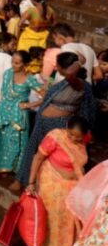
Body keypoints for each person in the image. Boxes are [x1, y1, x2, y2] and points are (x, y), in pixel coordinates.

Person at [17, 52, 96, 189]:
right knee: (34, 152)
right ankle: (24, 180)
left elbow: (70, 73)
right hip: (42, 123)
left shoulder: (77, 83)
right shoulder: (63, 82)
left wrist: (80, 61)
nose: (55, 67)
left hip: (58, 124)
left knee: (49, 157)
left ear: (64, 67)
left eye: (57, 65)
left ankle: (40, 185)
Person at [25, 117, 90, 246]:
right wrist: (31, 183)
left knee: (68, 224)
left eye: (78, 137)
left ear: (84, 135)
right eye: (71, 134)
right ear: (66, 127)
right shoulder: (55, 137)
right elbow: (38, 158)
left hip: (72, 186)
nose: (73, 139)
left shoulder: (85, 140)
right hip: (51, 183)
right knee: (52, 222)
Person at [0, 50, 43, 176]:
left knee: (12, 142)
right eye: (12, 62)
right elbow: (4, 95)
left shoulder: (30, 79)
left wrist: (27, 105)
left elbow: (46, 96)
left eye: (17, 63)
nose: (13, 65)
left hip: (18, 115)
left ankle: (10, 169)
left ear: (25, 64)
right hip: (3, 110)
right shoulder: (7, 74)